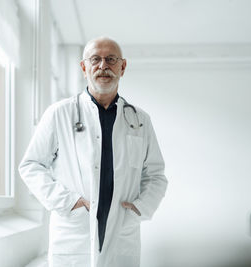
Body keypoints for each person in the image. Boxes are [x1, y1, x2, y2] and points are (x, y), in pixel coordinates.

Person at [18, 36, 168, 267]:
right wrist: (69, 202)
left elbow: (156, 175)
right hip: (74, 233)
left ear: (123, 66)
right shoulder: (60, 113)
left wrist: (140, 208)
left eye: (111, 59)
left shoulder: (140, 120)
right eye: (95, 59)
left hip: (122, 232)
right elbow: (31, 165)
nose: (103, 66)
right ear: (84, 67)